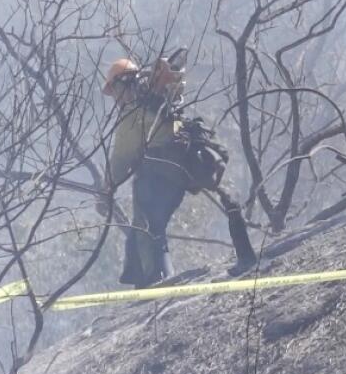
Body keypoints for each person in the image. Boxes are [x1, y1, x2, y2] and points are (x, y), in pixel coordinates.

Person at [103, 57, 257, 288]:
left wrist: (104, 192)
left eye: (114, 90)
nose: (115, 98)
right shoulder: (164, 105)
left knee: (147, 227)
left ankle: (155, 282)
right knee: (157, 224)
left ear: (120, 85)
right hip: (181, 174)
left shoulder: (132, 117)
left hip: (156, 180)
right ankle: (246, 254)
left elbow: (119, 161)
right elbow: (175, 131)